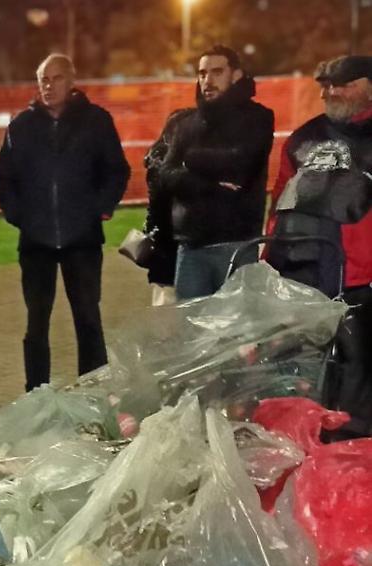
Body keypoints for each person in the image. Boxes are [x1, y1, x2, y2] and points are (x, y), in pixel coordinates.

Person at [0, 54, 130, 391]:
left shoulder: (96, 121)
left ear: (71, 81)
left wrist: (101, 208)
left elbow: (117, 170)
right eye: (43, 79)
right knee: (36, 323)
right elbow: (4, 178)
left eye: (55, 79)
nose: (48, 86)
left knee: (88, 318)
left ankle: (94, 391)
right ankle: (36, 392)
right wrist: (19, 215)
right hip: (35, 242)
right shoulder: (21, 125)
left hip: (82, 240)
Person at [268, 55, 372, 438]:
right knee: (306, 367)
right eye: (326, 86)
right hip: (305, 272)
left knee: (358, 369)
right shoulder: (303, 138)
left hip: (361, 277)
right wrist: (271, 258)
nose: (330, 92)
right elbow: (279, 201)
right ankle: (314, 441)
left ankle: (355, 448)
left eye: (343, 84)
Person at [156, 46, 275, 299]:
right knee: (192, 324)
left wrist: (189, 159)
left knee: (236, 323)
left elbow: (240, 164)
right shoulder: (185, 123)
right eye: (202, 73)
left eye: (217, 72)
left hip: (237, 244)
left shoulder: (258, 118)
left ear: (236, 75)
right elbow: (165, 174)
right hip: (190, 247)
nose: (207, 80)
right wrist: (208, 184)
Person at [143, 107, 193, 306]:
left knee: (163, 295)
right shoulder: (173, 163)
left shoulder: (157, 158)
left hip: (163, 238)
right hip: (174, 236)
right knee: (173, 299)